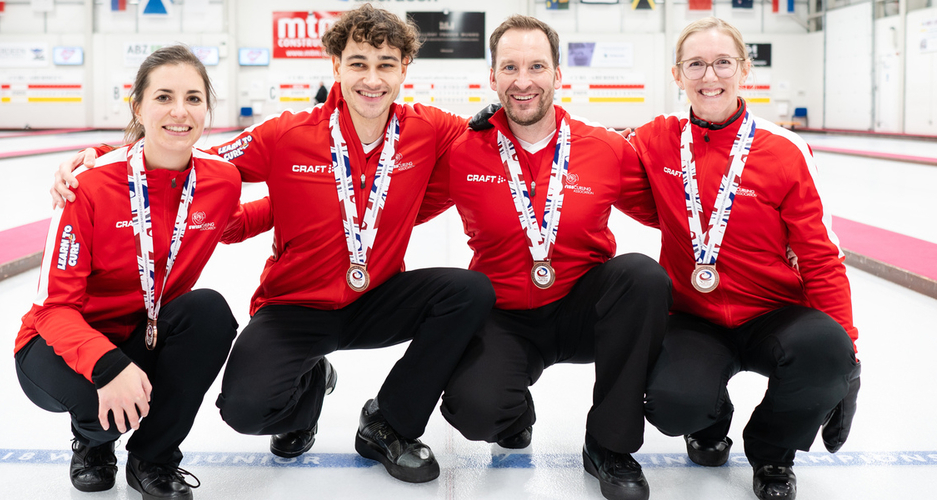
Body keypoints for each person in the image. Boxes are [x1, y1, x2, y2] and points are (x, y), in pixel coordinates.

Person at [51, 4, 495, 484]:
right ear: (336, 66)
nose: (372, 79)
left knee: (468, 292)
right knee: (245, 410)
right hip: (295, 306)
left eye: (386, 64)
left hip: (378, 295)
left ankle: (389, 423)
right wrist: (99, 157)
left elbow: (496, 140)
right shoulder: (286, 134)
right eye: (359, 64)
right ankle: (309, 392)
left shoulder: (428, 129)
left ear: (404, 68)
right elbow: (186, 155)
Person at [422, 16, 671, 500]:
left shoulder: (604, 148)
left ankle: (608, 445)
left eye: (537, 66)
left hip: (585, 310)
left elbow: (673, 216)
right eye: (509, 67)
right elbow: (397, 211)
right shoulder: (463, 152)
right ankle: (512, 413)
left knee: (642, 276)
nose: (523, 81)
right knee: (476, 410)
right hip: (505, 315)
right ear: (491, 78)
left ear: (559, 75)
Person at [628, 17, 861, 500]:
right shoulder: (655, 140)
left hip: (775, 314)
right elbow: (589, 152)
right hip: (694, 317)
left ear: (744, 70)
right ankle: (709, 422)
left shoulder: (784, 151)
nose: (709, 76)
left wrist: (850, 356)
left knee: (828, 349)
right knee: (672, 404)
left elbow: (820, 257)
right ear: (677, 75)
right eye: (695, 64)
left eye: (722, 63)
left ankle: (773, 453)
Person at [15, 45, 241, 500]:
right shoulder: (88, 185)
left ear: (207, 110)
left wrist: (312, 209)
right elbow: (53, 306)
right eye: (164, 97)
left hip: (144, 333)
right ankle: (94, 445)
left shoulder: (222, 179)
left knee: (209, 312)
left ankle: (152, 459)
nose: (180, 111)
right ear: (137, 106)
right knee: (94, 398)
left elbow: (232, 223)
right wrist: (108, 366)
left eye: (194, 98)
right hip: (59, 340)